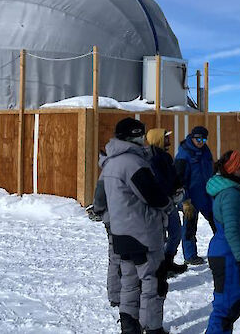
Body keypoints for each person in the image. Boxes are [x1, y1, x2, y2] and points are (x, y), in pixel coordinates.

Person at [100, 118, 171, 334]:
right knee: (152, 281)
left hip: (121, 231)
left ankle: (129, 326)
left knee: (130, 282)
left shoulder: (110, 162)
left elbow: (101, 197)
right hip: (143, 232)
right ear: (136, 136)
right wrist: (169, 203)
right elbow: (154, 196)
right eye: (142, 135)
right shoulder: (134, 163)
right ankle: (152, 327)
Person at [206, 150, 240, 333]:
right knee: (225, 310)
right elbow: (232, 231)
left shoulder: (233, 191)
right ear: (235, 169)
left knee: (229, 308)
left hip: (228, 255)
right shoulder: (231, 195)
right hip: (229, 257)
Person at [146, 128, 188, 277]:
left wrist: (178, 188)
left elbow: (172, 176)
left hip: (170, 202)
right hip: (159, 204)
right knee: (160, 236)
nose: (169, 140)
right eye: (165, 137)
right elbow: (158, 181)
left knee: (176, 232)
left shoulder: (165, 156)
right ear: (158, 139)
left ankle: (168, 261)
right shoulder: (151, 158)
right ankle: (159, 268)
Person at [175, 126, 215, 265]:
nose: (201, 142)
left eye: (204, 139)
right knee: (189, 227)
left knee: (218, 222)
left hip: (207, 196)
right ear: (192, 137)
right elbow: (178, 179)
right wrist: (184, 200)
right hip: (190, 198)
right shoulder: (184, 154)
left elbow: (211, 170)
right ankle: (190, 255)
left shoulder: (206, 151)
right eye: (198, 139)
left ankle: (222, 249)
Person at [92, 178, 121, 308]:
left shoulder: (108, 168)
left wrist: (99, 211)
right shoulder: (136, 163)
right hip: (130, 219)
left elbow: (99, 199)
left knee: (115, 257)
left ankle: (115, 295)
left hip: (111, 218)